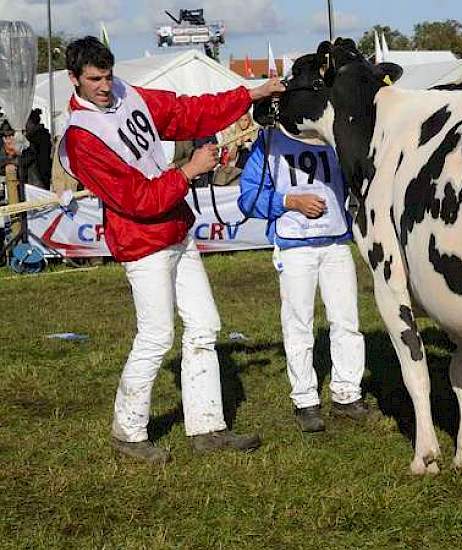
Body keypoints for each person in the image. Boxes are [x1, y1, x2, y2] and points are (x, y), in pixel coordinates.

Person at [58, 36, 285, 463]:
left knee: (205, 325)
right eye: (94, 80)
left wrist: (249, 94)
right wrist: (190, 170)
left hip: (176, 231)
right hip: (142, 243)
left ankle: (207, 427)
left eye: (108, 76)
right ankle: (128, 432)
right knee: (156, 338)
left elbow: (185, 111)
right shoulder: (80, 138)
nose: (105, 86)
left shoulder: (128, 94)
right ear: (74, 79)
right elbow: (138, 200)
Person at [237, 67, 371, 431]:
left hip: (336, 243)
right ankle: (305, 400)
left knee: (346, 321)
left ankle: (347, 392)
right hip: (294, 247)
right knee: (298, 324)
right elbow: (248, 198)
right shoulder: (267, 143)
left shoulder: (330, 135)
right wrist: (288, 202)